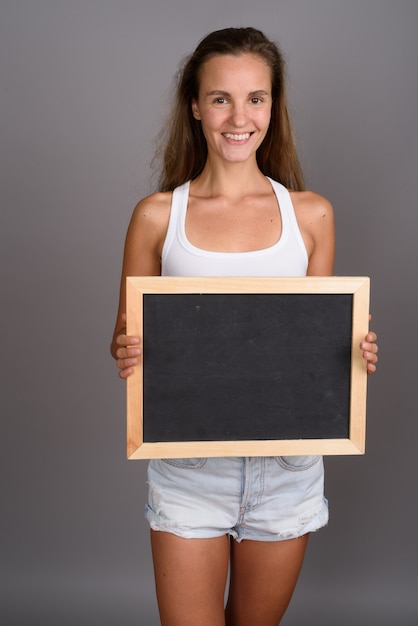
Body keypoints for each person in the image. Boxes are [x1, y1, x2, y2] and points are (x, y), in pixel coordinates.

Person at [111, 27, 378, 626]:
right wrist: (129, 351)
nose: (239, 116)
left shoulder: (311, 216)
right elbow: (123, 337)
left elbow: (316, 346)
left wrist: (352, 350)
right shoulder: (157, 217)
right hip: (189, 466)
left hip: (287, 468)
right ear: (196, 106)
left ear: (273, 108)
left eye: (255, 98)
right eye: (221, 98)